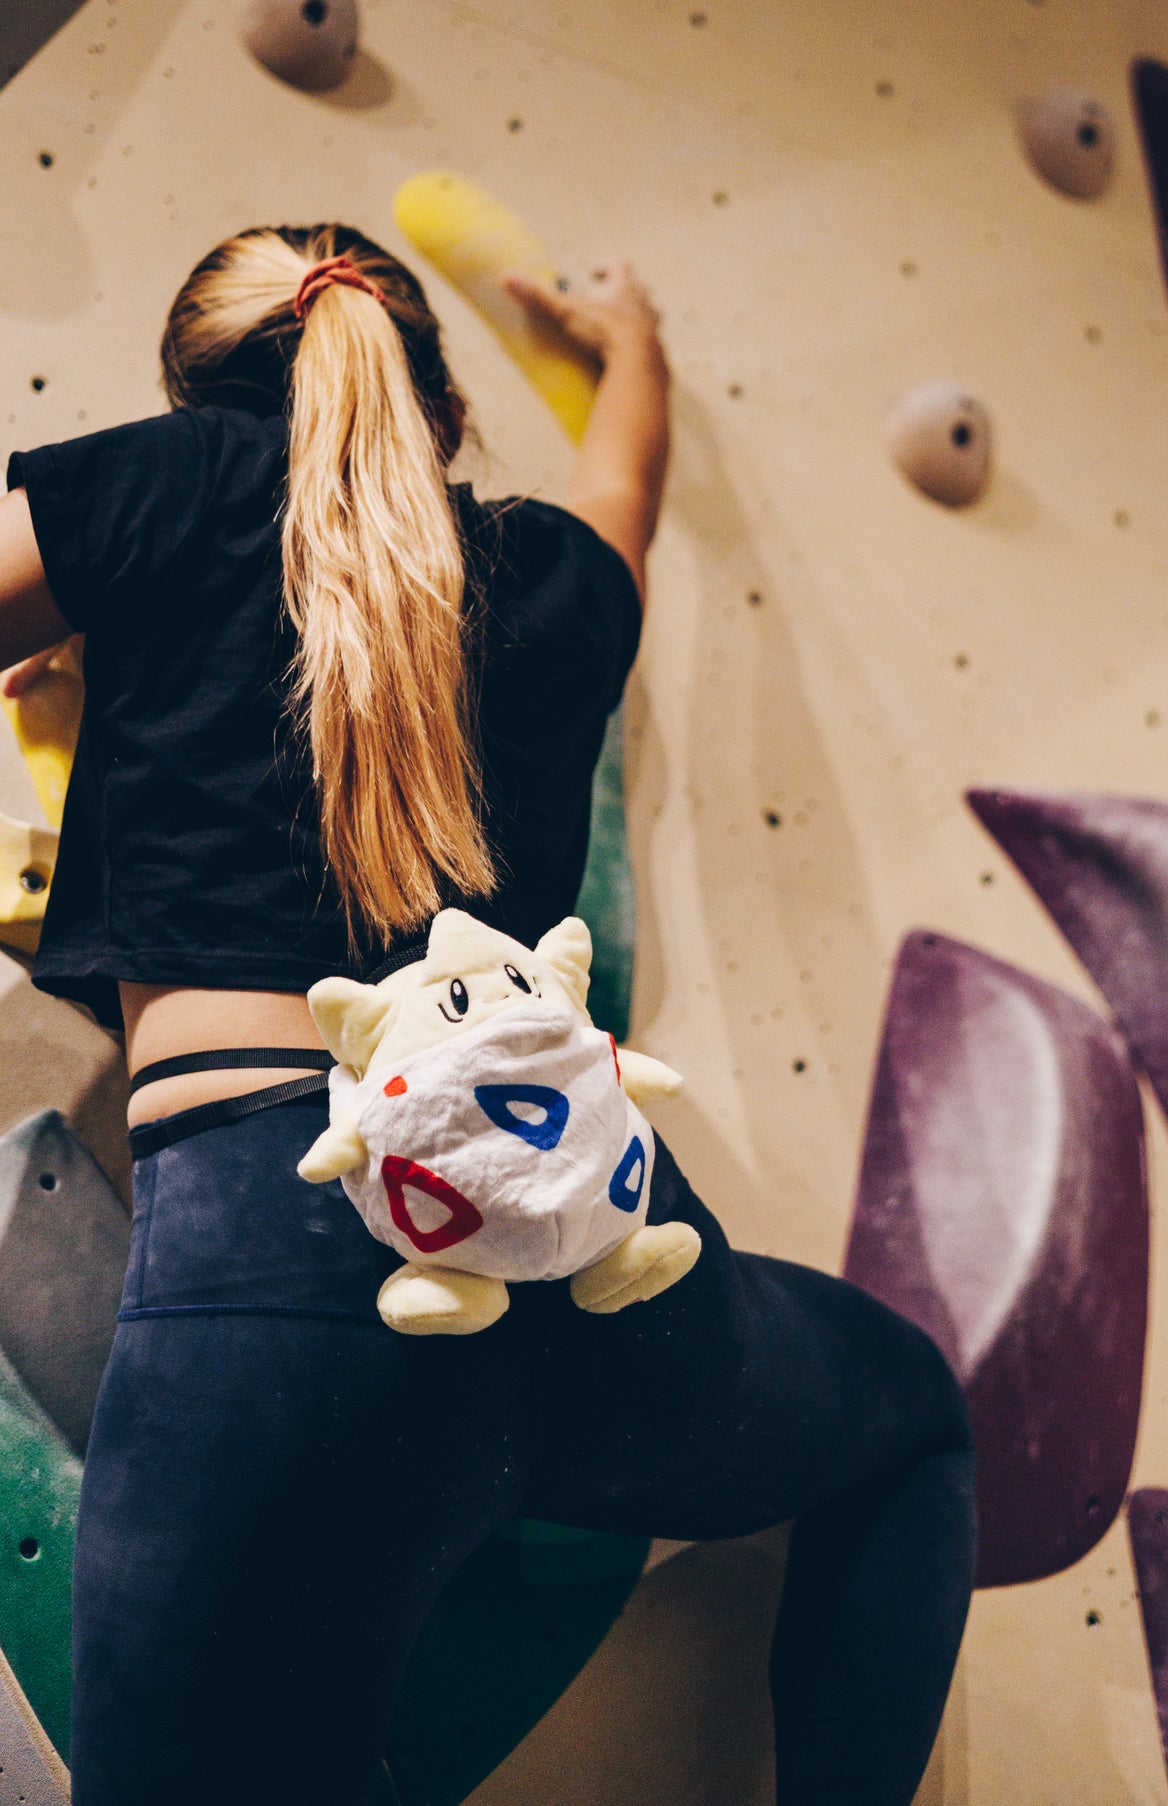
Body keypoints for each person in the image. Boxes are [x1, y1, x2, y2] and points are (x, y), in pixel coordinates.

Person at [0, 222, 975, 1806]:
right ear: (439, 403)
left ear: (203, 387)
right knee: (912, 1415)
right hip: (596, 1249)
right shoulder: (556, 576)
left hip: (281, 1284)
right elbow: (623, 491)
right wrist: (630, 345)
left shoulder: (163, 483)